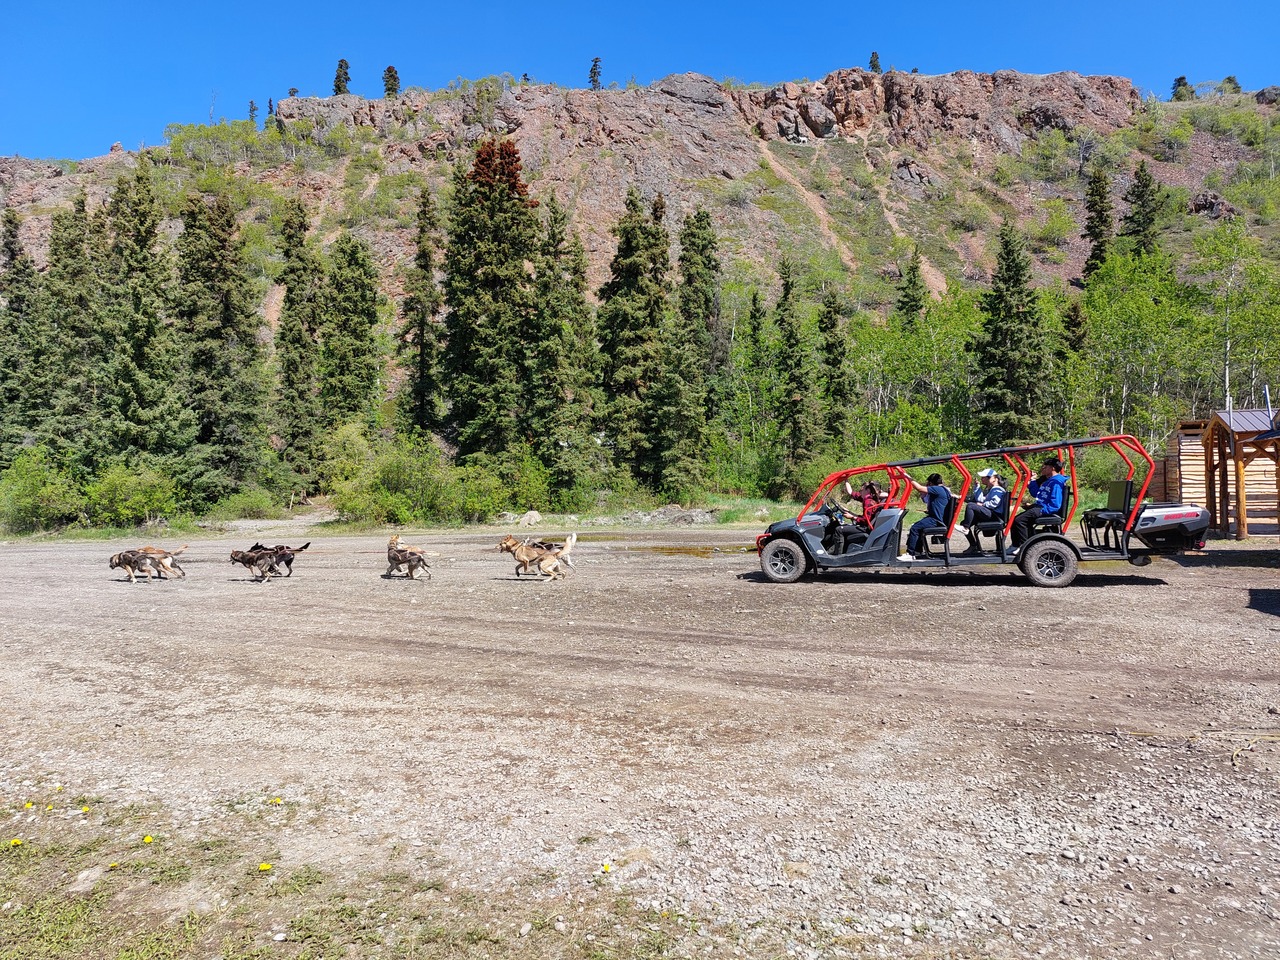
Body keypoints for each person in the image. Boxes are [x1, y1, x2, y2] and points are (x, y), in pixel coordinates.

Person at [1011, 457, 1067, 549]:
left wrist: (1041, 510)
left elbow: (1055, 504)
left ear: (1052, 468)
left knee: (1019, 520)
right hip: (1040, 507)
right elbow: (1036, 493)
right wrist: (1032, 481)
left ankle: (1024, 547)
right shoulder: (1048, 481)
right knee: (1016, 519)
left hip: (1045, 509)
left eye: (1045, 467)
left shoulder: (1056, 482)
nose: (1042, 469)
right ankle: (1016, 545)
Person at [898, 472, 952, 560]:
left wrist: (908, 478)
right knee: (917, 526)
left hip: (936, 520)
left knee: (914, 528)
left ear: (931, 483)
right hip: (937, 518)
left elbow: (919, 488)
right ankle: (917, 552)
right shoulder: (943, 489)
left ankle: (911, 553)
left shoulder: (937, 489)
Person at [955, 468, 1007, 555]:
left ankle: (965, 528)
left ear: (994, 478)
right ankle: (973, 545)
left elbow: (994, 503)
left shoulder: (997, 490)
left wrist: (983, 505)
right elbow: (981, 499)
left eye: (984, 477)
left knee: (971, 505)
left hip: (995, 516)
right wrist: (977, 487)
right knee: (964, 521)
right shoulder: (992, 489)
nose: (982, 479)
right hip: (992, 514)